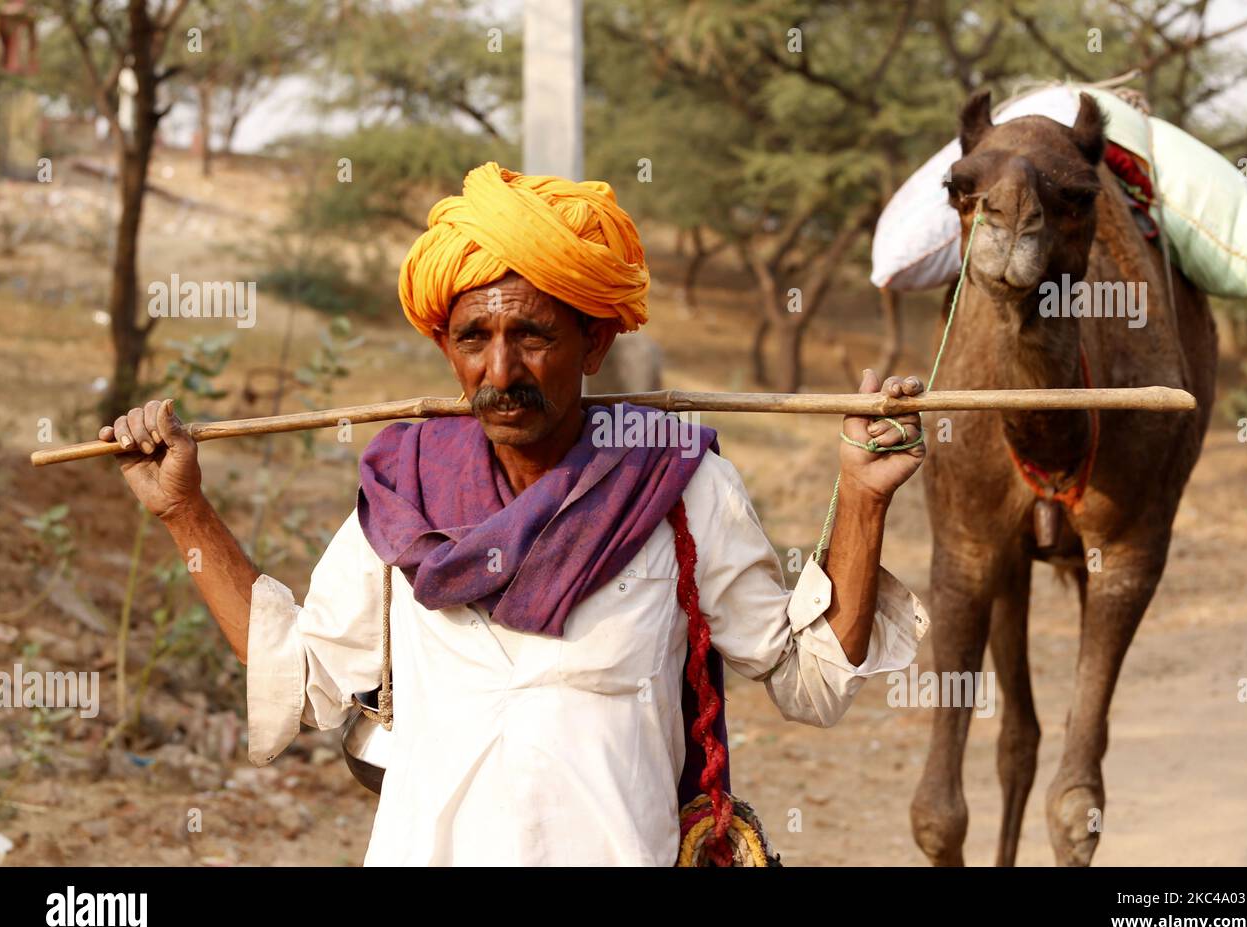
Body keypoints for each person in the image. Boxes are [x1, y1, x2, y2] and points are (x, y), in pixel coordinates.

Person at [102, 162, 929, 866]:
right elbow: (306, 679)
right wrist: (184, 512)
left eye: (533, 335)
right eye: (473, 339)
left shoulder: (679, 488)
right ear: (446, 349)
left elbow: (810, 681)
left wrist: (861, 494)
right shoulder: (405, 491)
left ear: (594, 345)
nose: (501, 370)